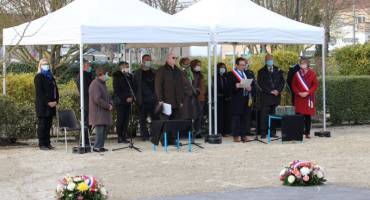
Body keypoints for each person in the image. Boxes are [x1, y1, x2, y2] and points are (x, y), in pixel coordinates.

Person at [155, 53, 185, 144]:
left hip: (176, 102)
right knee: (165, 122)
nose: (175, 59)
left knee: (174, 122)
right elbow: (158, 86)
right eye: (173, 57)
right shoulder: (161, 70)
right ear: (168, 59)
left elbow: (181, 86)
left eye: (176, 58)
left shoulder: (178, 71)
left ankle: (173, 140)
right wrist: (160, 100)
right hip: (166, 101)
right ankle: (164, 140)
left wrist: (181, 100)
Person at [227, 58, 255, 142]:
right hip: (236, 99)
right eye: (241, 65)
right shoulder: (231, 74)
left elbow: (252, 84)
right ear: (236, 65)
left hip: (246, 98)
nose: (243, 67)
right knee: (236, 118)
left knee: (245, 118)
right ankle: (236, 135)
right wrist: (236, 86)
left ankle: (244, 135)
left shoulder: (247, 73)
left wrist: (251, 88)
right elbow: (228, 88)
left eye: (244, 65)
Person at [257, 54, 285, 139]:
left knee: (274, 115)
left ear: (273, 60)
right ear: (265, 61)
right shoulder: (261, 71)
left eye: (271, 59)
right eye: (268, 60)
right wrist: (270, 91)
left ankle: (272, 132)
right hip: (266, 97)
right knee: (264, 115)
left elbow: (282, 82)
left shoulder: (278, 70)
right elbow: (260, 83)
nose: (270, 61)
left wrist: (278, 90)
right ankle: (263, 133)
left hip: (276, 97)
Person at [34, 58, 59, 150]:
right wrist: (48, 102)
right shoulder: (38, 77)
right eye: (44, 64)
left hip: (52, 105)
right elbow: (39, 93)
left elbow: (55, 90)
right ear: (40, 66)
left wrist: (56, 101)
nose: (46, 65)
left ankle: (48, 143)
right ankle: (42, 144)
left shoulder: (51, 76)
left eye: (47, 64)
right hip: (43, 106)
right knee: (42, 125)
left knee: (49, 125)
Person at [291, 57, 318, 139]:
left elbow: (315, 85)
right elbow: (293, 85)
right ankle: (299, 132)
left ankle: (307, 132)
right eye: (301, 63)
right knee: (299, 115)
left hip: (308, 97)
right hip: (299, 97)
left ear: (307, 64)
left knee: (307, 116)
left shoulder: (312, 73)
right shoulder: (297, 74)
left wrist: (308, 92)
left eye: (304, 63)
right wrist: (299, 93)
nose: (303, 65)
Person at [133, 54, 158, 141]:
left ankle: (154, 134)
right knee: (142, 119)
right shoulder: (137, 73)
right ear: (142, 61)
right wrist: (136, 98)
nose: (149, 61)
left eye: (150, 60)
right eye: (147, 60)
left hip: (154, 99)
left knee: (155, 118)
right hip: (142, 100)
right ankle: (144, 135)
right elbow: (134, 87)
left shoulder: (155, 72)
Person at [89, 67, 112, 152]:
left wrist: (111, 103)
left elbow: (107, 96)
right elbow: (97, 99)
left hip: (103, 111)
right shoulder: (95, 84)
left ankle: (101, 146)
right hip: (98, 112)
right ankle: (97, 146)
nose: (107, 76)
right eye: (106, 74)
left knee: (104, 130)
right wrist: (107, 105)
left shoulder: (102, 83)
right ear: (101, 74)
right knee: (100, 130)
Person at [113, 62, 133, 143]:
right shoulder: (117, 76)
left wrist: (131, 97)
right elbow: (117, 90)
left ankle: (125, 135)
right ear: (121, 67)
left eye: (128, 66)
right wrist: (125, 98)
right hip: (121, 101)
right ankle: (120, 136)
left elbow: (132, 87)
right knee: (120, 119)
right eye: (126, 67)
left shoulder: (129, 76)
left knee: (126, 119)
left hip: (129, 101)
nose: (127, 68)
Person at [75, 59, 93, 146]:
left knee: (89, 123)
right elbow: (86, 90)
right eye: (88, 65)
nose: (90, 67)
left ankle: (87, 139)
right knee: (86, 122)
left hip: (89, 102)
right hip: (85, 102)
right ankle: (84, 140)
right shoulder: (81, 76)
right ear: (84, 66)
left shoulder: (88, 75)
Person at [191, 59, 206, 138]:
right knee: (196, 115)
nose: (199, 67)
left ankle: (198, 130)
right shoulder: (192, 75)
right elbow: (193, 86)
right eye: (197, 65)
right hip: (196, 98)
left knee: (200, 116)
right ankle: (196, 131)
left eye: (200, 65)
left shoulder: (200, 75)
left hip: (202, 98)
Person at [216, 62, 230, 137]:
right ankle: (219, 131)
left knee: (226, 115)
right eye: (221, 67)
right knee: (219, 116)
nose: (223, 69)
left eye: (224, 67)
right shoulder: (215, 77)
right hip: (219, 98)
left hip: (226, 99)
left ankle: (226, 131)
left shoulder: (226, 76)